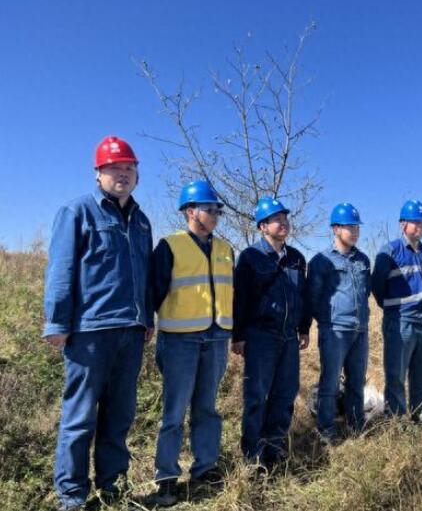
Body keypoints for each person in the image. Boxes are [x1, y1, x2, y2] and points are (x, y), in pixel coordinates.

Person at [43, 136, 154, 510]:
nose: (122, 174)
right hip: (90, 331)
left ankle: (112, 486)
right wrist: (57, 322)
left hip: (132, 329)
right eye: (114, 168)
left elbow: (147, 273)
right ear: (98, 173)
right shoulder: (77, 212)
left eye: (129, 168)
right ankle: (72, 497)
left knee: (120, 413)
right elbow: (61, 269)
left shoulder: (141, 221)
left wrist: (147, 318)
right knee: (79, 417)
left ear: (136, 175)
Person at [152, 181, 234, 506]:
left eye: (217, 210)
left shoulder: (226, 249)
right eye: (209, 209)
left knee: (207, 409)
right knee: (174, 411)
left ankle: (205, 468)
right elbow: (154, 291)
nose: (215, 215)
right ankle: (167, 478)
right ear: (190, 211)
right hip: (179, 341)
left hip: (216, 337)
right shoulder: (169, 246)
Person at [232, 197, 311, 467]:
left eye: (285, 218)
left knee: (285, 393)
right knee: (256, 396)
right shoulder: (251, 257)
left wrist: (304, 328)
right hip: (260, 336)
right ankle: (252, 456)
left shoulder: (297, 259)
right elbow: (240, 299)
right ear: (262, 226)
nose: (283, 223)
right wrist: (238, 335)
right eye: (277, 219)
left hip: (289, 337)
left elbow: (304, 296)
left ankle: (274, 449)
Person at [307, 203, 371, 443]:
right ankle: (326, 431)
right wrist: (328, 321)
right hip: (334, 331)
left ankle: (355, 426)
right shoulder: (321, 261)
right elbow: (312, 298)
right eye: (348, 227)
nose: (354, 232)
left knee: (356, 381)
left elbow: (365, 293)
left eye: (356, 227)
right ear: (335, 229)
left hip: (360, 329)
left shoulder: (363, 260)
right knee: (330, 382)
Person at [371, 199, 422, 423]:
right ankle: (396, 421)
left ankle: (421, 416)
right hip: (401, 321)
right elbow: (377, 286)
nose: (419, 226)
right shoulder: (390, 251)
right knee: (396, 374)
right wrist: (393, 309)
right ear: (402, 224)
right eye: (414, 222)